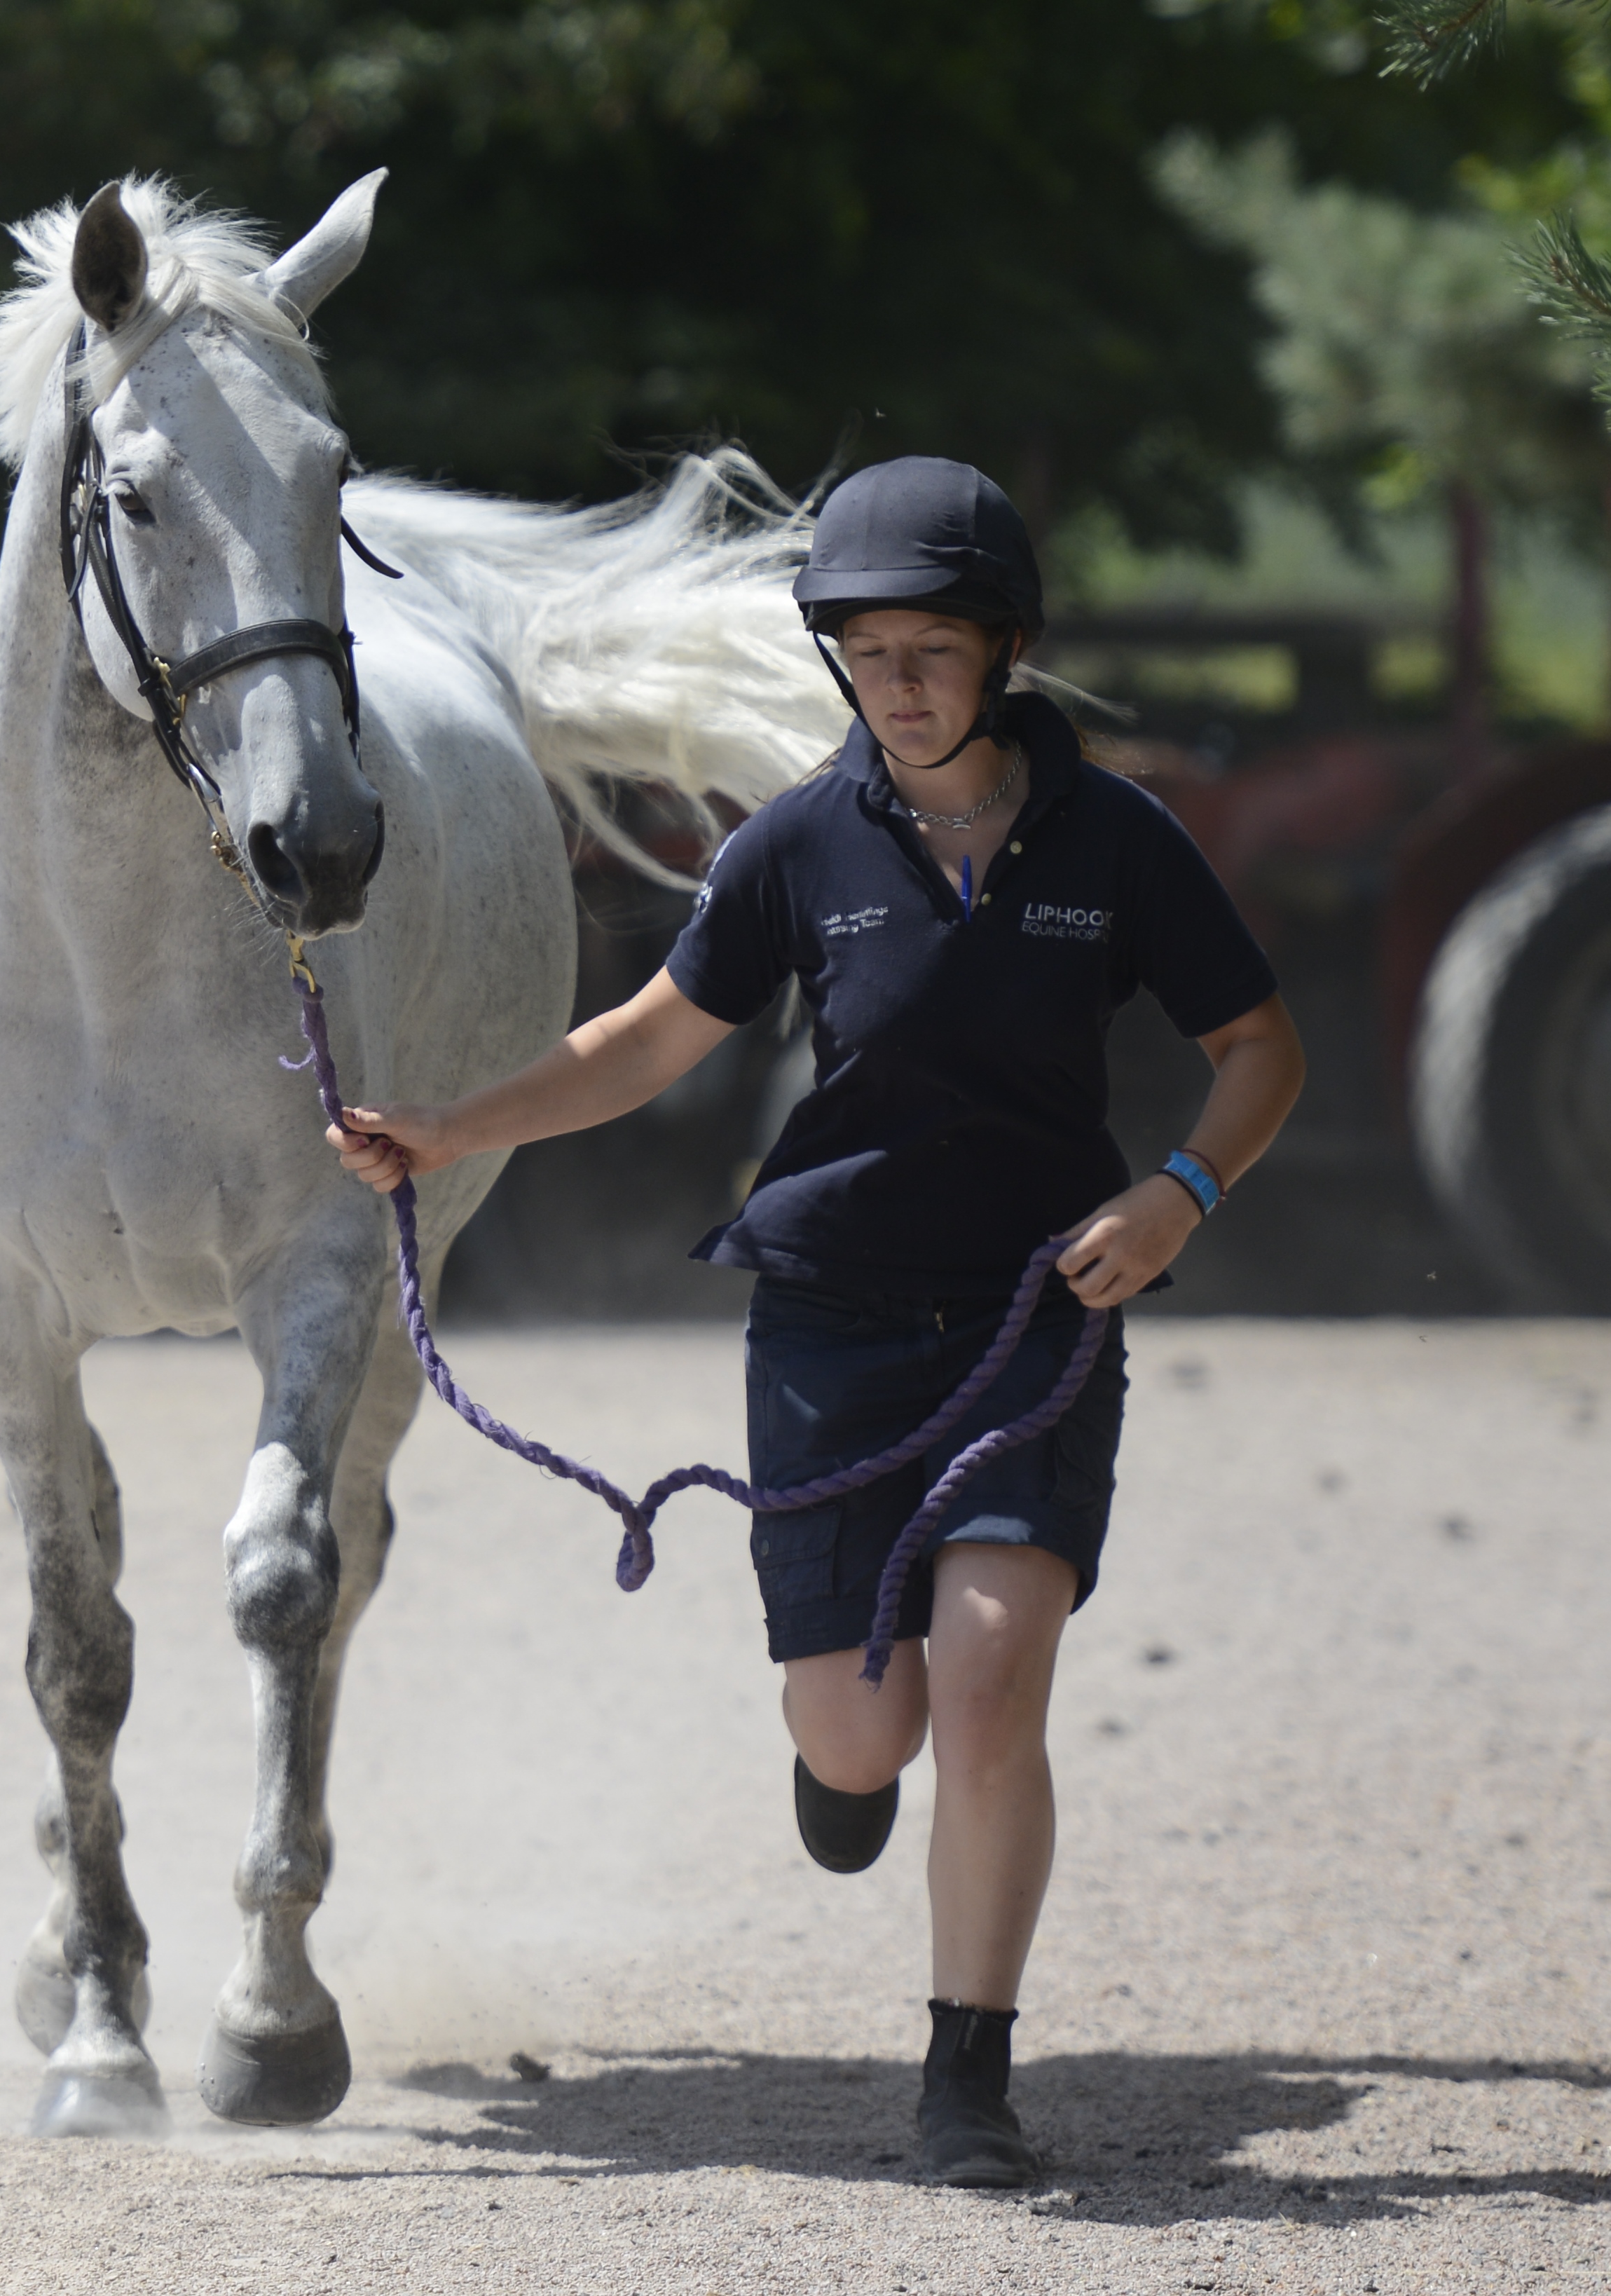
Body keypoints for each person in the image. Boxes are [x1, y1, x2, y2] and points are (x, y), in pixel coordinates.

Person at [327, 456, 1307, 2187]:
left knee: (992, 1676)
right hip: (829, 1323)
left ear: (1004, 650)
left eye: (931, 651)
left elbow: (1260, 1052)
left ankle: (966, 2080)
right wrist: (452, 1127)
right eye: (865, 655)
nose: (897, 686)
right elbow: (645, 1038)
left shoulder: (1118, 842)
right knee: (863, 1727)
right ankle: (843, 1761)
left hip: (1036, 1313)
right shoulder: (795, 841)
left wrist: (1178, 1194)